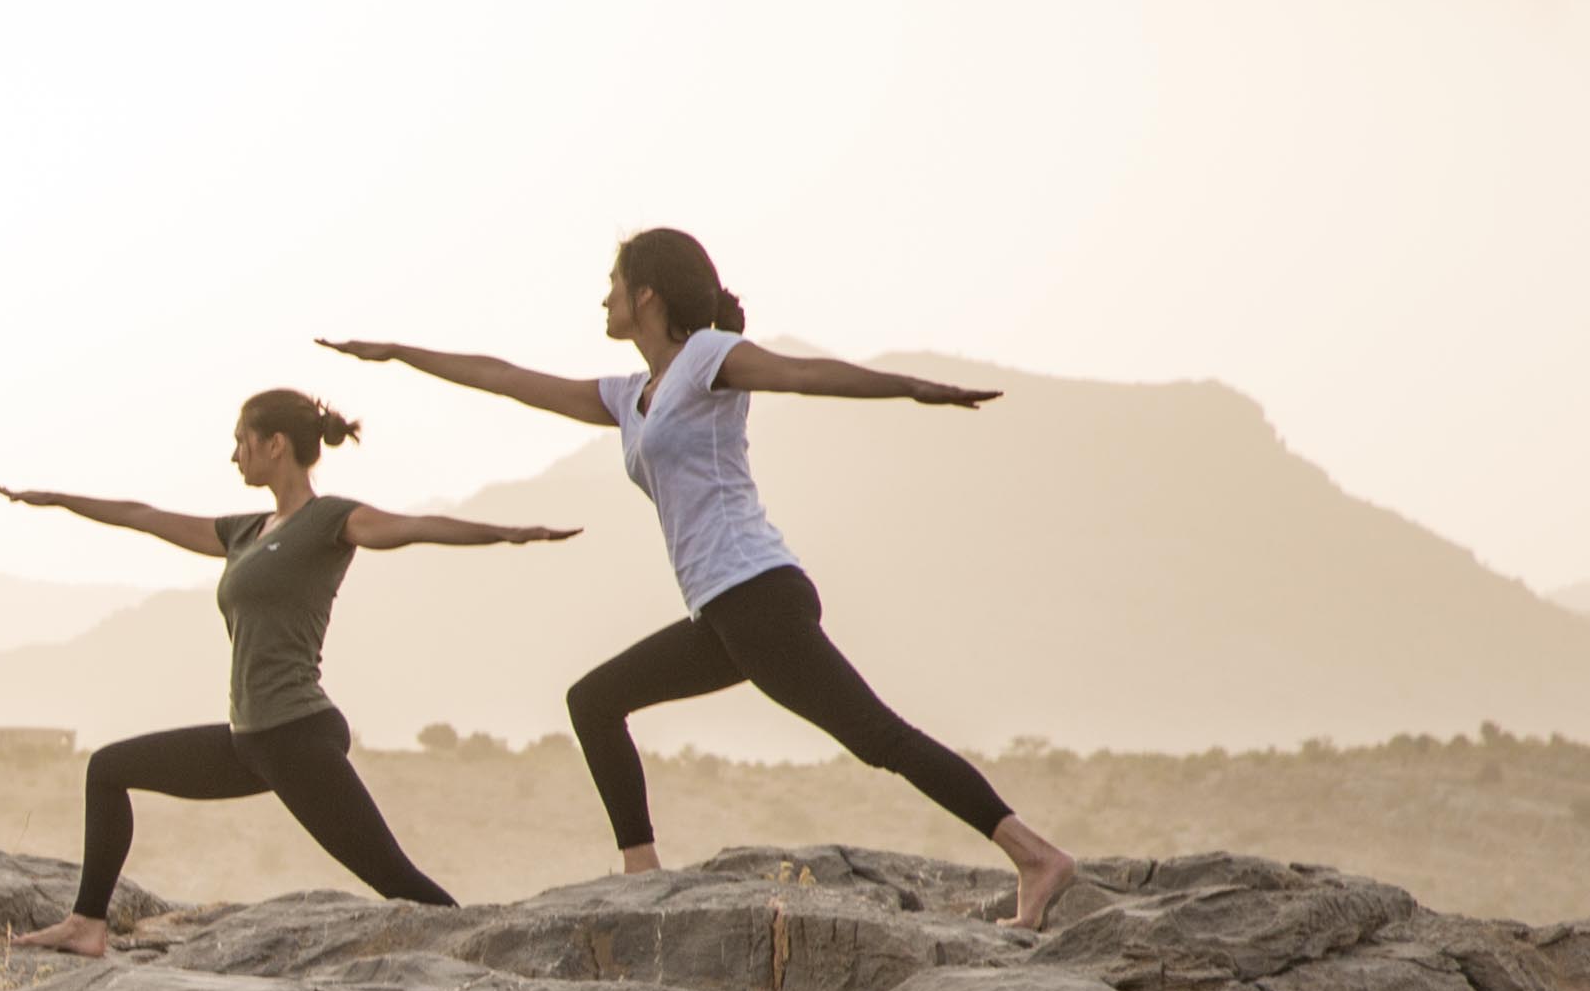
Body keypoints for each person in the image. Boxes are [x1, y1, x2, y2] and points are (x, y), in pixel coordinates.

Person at [325, 230, 1084, 927]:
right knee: (595, 700)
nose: (604, 298)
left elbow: (803, 374)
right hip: (724, 612)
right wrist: (398, 352)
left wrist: (912, 387)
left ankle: (1035, 855)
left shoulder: (709, 358)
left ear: (647, 294)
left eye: (613, 283)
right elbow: (505, 378)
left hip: (757, 594)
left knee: (877, 736)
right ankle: (641, 869)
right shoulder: (631, 396)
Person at [0, 387, 574, 957]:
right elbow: (145, 517)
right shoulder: (244, 532)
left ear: (275, 445)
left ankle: (498, 957)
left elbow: (415, 526)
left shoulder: (329, 521)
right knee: (108, 769)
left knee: (396, 881)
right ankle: (86, 924)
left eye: (241, 442)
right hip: (249, 741)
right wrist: (56, 499)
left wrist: (508, 533)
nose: (233, 456)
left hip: (298, 735)